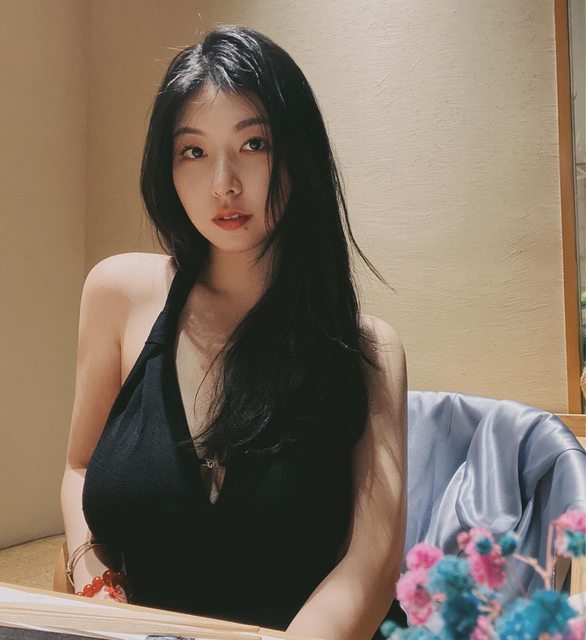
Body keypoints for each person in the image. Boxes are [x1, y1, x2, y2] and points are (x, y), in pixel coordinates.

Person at [60, 25, 407, 640]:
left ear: (296, 153)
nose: (224, 182)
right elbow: (80, 467)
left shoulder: (366, 350)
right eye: (193, 151)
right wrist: (93, 581)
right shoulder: (117, 294)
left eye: (253, 144)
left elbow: (371, 567)